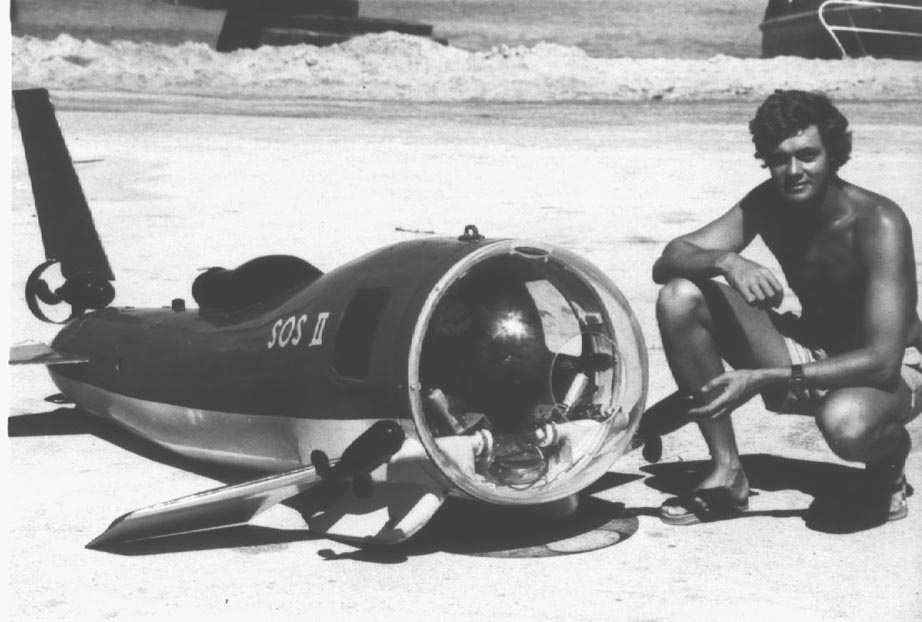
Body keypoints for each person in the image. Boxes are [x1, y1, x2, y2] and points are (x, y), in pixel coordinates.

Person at [651, 89, 922, 527]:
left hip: (890, 370)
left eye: (807, 155)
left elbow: (882, 361)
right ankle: (727, 472)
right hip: (810, 347)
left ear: (833, 153)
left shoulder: (879, 221)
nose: (793, 171)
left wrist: (764, 379)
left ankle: (888, 460)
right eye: (779, 159)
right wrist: (727, 260)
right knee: (681, 296)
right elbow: (670, 259)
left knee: (846, 425)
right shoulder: (768, 202)